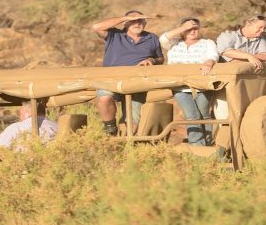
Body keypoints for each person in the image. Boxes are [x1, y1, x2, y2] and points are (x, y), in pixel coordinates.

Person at [91, 10, 163, 135]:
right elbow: (96, 27)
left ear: (145, 22)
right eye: (133, 20)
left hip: (138, 81)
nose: (137, 23)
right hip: (111, 79)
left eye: (140, 20)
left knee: (133, 120)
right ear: (125, 23)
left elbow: (161, 58)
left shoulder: (152, 38)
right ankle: (110, 129)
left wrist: (152, 60)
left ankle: (126, 144)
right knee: (104, 98)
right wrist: (125, 17)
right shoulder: (114, 34)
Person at [160, 17, 220, 145]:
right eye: (189, 28)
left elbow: (213, 55)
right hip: (179, 86)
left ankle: (208, 143)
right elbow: (163, 39)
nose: (192, 31)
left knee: (204, 114)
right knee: (191, 115)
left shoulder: (207, 42)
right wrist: (183, 27)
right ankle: (197, 146)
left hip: (203, 84)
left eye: (195, 28)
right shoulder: (173, 43)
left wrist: (209, 62)